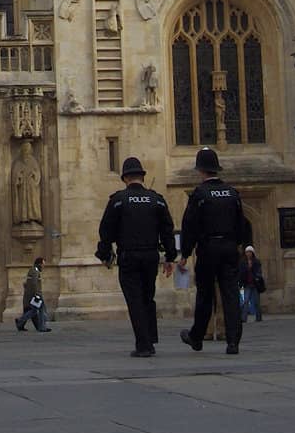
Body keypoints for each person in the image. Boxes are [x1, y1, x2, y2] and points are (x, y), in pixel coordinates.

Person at [96, 155, 176, 358]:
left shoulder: (118, 200)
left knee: (135, 300)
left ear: (125, 178)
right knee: (148, 297)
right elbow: (167, 229)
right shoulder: (156, 200)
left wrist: (105, 253)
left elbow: (106, 230)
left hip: (129, 256)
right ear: (142, 176)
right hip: (151, 255)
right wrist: (170, 256)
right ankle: (150, 338)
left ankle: (144, 344)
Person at [178, 146, 249, 356]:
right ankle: (233, 341)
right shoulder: (231, 193)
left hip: (208, 248)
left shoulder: (200, 194)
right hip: (229, 247)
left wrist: (185, 253)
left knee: (205, 295)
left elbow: (190, 225)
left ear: (201, 170)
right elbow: (241, 223)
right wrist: (243, 245)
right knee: (230, 294)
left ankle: (197, 337)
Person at [15, 256, 51, 332]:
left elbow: (26, 283)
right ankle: (42, 327)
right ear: (39, 264)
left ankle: (20, 321)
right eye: (43, 264)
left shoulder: (33, 270)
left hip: (33, 295)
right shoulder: (35, 271)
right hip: (36, 295)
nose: (43, 266)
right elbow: (34, 283)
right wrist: (37, 294)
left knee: (33, 311)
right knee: (42, 311)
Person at [240, 245, 264, 322]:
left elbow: (259, 271)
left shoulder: (256, 261)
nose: (248, 253)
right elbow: (241, 273)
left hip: (255, 284)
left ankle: (258, 317)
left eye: (249, 252)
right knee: (246, 301)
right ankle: (244, 318)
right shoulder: (243, 262)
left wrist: (257, 277)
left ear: (252, 253)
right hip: (247, 284)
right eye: (247, 252)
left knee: (257, 302)